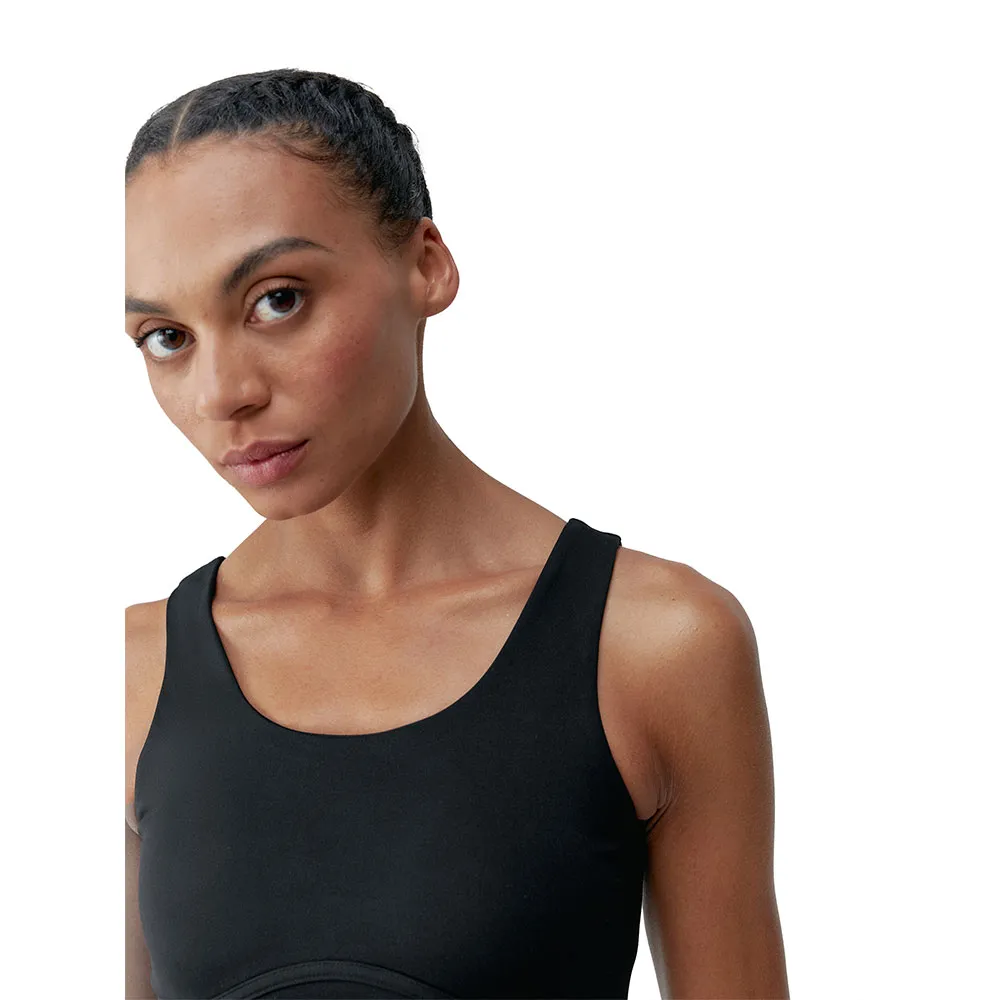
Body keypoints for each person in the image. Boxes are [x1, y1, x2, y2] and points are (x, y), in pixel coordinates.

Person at [124, 68, 789, 1000]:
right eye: (166, 336)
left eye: (278, 299)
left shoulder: (654, 646)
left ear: (426, 264)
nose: (222, 393)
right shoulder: (135, 669)